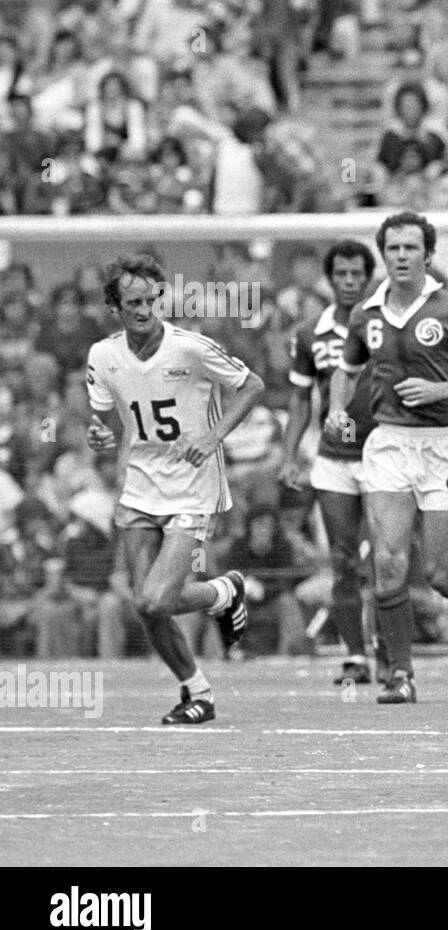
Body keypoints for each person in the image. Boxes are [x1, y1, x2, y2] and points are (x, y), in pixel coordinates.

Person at [328, 212, 448, 704]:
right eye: (393, 249)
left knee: (440, 572)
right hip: (388, 445)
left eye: (410, 248)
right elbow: (347, 368)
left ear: (427, 254)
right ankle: (400, 675)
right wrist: (336, 410)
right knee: (386, 562)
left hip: (445, 446)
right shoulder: (366, 315)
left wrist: (440, 390)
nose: (401, 256)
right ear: (382, 255)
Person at [85, 254, 265, 724]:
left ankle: (224, 592)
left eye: (151, 300)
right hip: (140, 484)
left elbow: (252, 386)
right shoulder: (103, 357)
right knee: (145, 605)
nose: (145, 311)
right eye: (133, 303)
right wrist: (99, 436)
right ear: (115, 307)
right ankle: (197, 692)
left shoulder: (190, 348)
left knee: (157, 598)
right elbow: (103, 422)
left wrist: (213, 434)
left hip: (191, 485)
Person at [279, 239, 380, 685]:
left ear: (369, 277)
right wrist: (288, 455)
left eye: (358, 274)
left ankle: (395, 658)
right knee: (343, 559)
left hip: (386, 454)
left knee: (388, 558)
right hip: (334, 457)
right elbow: (300, 399)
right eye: (341, 274)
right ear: (330, 278)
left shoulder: (386, 325)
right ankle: (356, 656)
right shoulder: (308, 333)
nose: (350, 282)